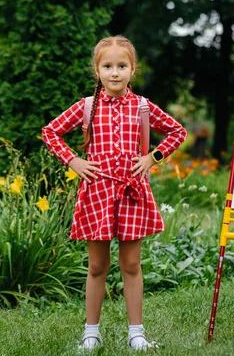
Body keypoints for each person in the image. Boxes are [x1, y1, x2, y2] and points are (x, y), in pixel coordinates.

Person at [42, 36, 186, 350]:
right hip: (97, 194)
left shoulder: (142, 107)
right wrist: (73, 160)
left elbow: (178, 132)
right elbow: (50, 131)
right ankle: (90, 332)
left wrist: (152, 158)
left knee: (131, 265)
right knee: (97, 266)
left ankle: (137, 332)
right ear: (98, 70)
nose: (115, 72)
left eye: (122, 66)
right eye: (108, 66)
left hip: (133, 194)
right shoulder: (87, 106)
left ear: (132, 70)